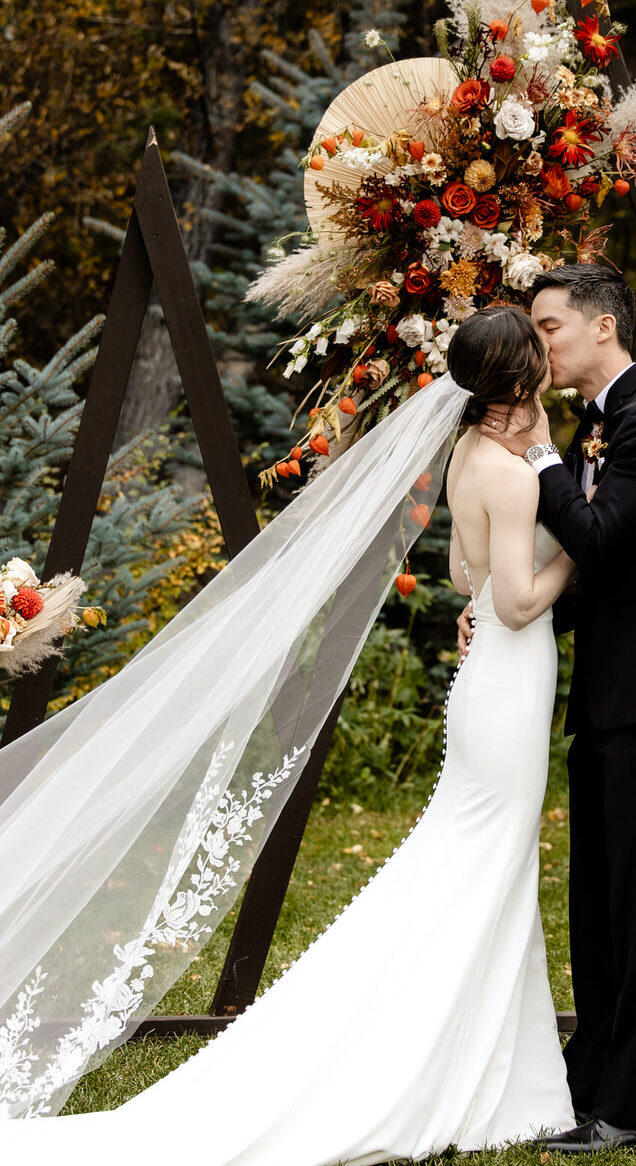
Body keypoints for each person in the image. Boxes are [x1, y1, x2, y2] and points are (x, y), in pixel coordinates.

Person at [0, 307, 579, 1163]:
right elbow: (522, 597)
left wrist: (496, 590)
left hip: (488, 672)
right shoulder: (518, 470)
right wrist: (580, 547)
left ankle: (508, 1074)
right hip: (510, 675)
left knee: (482, 858)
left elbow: (464, 571)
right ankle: (466, 1071)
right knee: (489, 856)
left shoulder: (464, 454)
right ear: (520, 379)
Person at [465, 263, 636, 1150]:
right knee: (601, 903)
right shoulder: (598, 423)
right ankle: (591, 1080)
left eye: (549, 328)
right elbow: (592, 576)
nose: (538, 346)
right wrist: (495, 623)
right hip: (610, 694)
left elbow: (602, 538)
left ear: (604, 326)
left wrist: (539, 459)